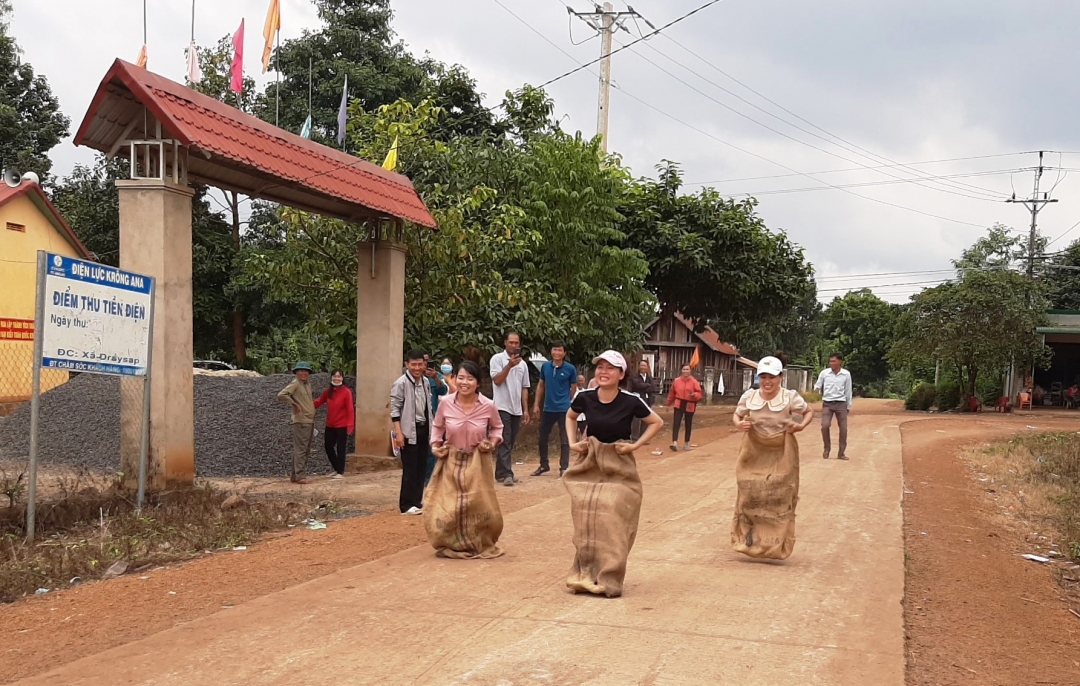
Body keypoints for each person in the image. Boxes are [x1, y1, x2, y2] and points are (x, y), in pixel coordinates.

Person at [564, 350, 664, 597]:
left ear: (621, 374)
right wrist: (572, 442)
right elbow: (570, 416)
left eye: (610, 368)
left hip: (619, 464)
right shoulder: (585, 396)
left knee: (611, 514)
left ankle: (609, 577)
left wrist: (634, 445)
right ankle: (584, 573)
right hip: (590, 461)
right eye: (600, 367)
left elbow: (656, 422)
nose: (603, 372)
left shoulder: (631, 400)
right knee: (585, 514)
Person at [731, 356, 813, 560]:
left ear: (781, 378)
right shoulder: (750, 396)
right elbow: (737, 415)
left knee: (780, 494)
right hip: (754, 449)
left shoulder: (789, 397)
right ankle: (749, 540)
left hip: (782, 450)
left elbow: (808, 411)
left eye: (772, 377)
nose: (767, 382)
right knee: (749, 492)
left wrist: (800, 426)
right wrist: (739, 425)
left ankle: (775, 543)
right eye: (763, 377)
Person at [426, 361, 505, 558]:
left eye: (470, 379)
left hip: (479, 462)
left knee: (477, 502)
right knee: (450, 503)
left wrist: (493, 443)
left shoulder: (488, 406)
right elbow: (437, 427)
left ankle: (478, 541)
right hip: (451, 459)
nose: (464, 382)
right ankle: (450, 542)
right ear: (455, 379)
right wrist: (435, 445)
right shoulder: (445, 403)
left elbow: (497, 428)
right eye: (461, 378)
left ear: (477, 383)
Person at [391, 350, 434, 515]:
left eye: (420, 364)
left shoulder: (425, 382)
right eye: (413, 364)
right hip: (408, 430)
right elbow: (395, 409)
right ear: (406, 364)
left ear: (424, 364)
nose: (417, 368)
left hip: (424, 428)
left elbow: (427, 406)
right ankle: (406, 504)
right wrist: (398, 433)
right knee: (410, 468)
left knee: (421, 466)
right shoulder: (401, 383)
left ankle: (417, 501)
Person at [489, 332, 531, 487]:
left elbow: (524, 388)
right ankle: (507, 473)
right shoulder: (497, 359)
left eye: (516, 343)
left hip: (516, 408)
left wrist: (525, 409)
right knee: (505, 439)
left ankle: (500, 472)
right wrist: (509, 366)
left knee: (510, 440)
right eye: (511, 342)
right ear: (505, 342)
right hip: (501, 406)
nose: (514, 345)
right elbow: (497, 380)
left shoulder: (523, 364)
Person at [532, 341, 578, 477]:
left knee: (564, 438)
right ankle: (543, 465)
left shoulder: (570, 369)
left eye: (560, 350)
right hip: (548, 408)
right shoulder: (545, 367)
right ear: (551, 352)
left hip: (564, 409)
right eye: (554, 350)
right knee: (542, 437)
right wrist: (536, 404)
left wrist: (571, 403)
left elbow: (573, 388)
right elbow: (541, 385)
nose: (557, 353)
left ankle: (564, 467)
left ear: (564, 353)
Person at [277, 361, 316, 484]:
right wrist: (294, 404)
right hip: (301, 421)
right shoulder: (295, 384)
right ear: (296, 372)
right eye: (301, 371)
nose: (304, 373)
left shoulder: (307, 384)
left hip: (309, 420)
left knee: (305, 448)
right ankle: (300, 475)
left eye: (306, 371)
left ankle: (295, 475)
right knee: (301, 449)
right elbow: (281, 395)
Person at [313, 369, 354, 479]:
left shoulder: (346, 392)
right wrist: (307, 405)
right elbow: (319, 401)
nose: (336, 379)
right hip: (330, 425)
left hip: (342, 425)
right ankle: (336, 468)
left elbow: (350, 409)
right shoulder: (328, 391)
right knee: (328, 446)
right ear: (331, 378)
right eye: (334, 376)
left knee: (341, 448)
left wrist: (350, 425)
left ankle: (340, 471)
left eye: (339, 376)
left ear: (342, 378)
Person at [815, 353, 853, 460]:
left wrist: (848, 405)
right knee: (825, 426)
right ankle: (827, 448)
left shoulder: (846, 374)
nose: (831, 363)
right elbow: (818, 385)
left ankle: (841, 452)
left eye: (834, 361)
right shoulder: (824, 373)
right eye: (830, 361)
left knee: (843, 429)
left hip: (841, 403)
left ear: (840, 362)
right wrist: (816, 390)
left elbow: (848, 390)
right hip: (827, 403)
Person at [423, 353, 449, 485]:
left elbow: (443, 390)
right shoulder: (412, 377)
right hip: (415, 418)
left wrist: (434, 377)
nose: (426, 364)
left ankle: (430, 478)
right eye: (424, 361)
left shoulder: (436, 376)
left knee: (431, 448)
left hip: (431, 417)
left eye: (428, 361)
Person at [667, 364, 703, 452]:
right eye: (684, 369)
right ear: (681, 370)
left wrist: (694, 395)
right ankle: (674, 442)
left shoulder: (694, 382)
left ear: (690, 371)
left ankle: (686, 443)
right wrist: (668, 404)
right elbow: (672, 393)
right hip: (679, 403)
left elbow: (699, 394)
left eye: (687, 369)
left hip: (690, 404)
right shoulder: (676, 381)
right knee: (676, 423)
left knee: (688, 424)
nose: (685, 371)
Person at [627, 359, 655, 442]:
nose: (643, 367)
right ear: (639, 367)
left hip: (647, 400)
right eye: (642, 365)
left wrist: (645, 386)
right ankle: (634, 438)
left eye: (645, 365)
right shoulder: (635, 376)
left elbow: (653, 388)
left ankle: (643, 438)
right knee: (636, 419)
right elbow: (637, 385)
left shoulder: (649, 377)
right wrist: (647, 386)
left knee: (646, 419)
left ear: (647, 367)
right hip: (637, 400)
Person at [573, 373, 588, 439]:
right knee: (573, 435)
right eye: (579, 380)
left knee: (585, 436)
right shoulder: (572, 392)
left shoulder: (586, 392)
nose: (580, 382)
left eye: (582, 380)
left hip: (583, 418)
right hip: (575, 417)